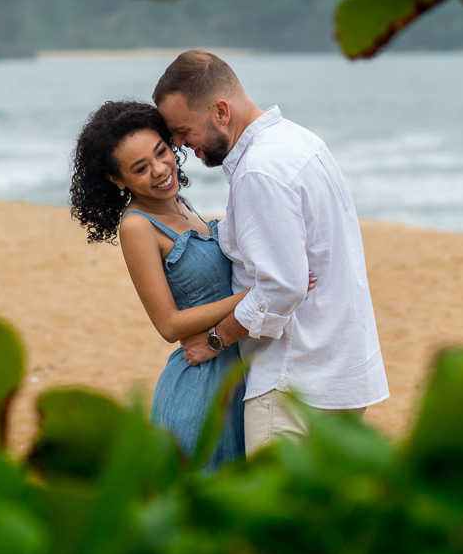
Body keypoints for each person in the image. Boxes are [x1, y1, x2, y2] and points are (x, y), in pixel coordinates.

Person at [153, 50, 389, 454]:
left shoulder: (259, 170)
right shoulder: (300, 141)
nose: (177, 145)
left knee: (277, 515)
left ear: (221, 111)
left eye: (182, 130)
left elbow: (282, 288)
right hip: (343, 370)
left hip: (294, 380)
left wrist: (215, 339)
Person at [69, 100, 260, 470]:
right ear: (116, 179)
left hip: (235, 373)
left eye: (162, 152)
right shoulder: (137, 226)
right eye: (140, 168)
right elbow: (169, 325)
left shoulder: (180, 203)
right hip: (198, 387)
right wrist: (254, 297)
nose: (160, 170)